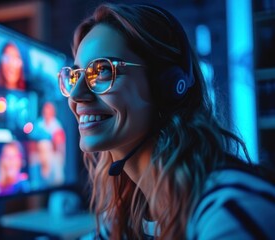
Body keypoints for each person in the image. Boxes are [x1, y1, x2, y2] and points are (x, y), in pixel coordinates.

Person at [58, 3, 275, 239]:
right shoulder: (138, 209)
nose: (76, 96)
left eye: (101, 71)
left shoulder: (230, 211)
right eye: (75, 75)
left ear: (167, 86)